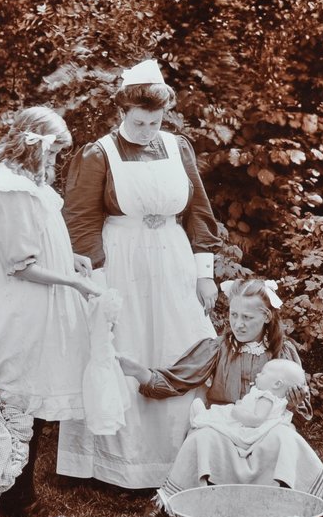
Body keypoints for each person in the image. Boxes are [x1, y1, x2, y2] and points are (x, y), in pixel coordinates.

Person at [57, 59, 221, 489]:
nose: (149, 129)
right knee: (125, 344)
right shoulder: (99, 154)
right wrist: (97, 281)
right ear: (122, 112)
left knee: (179, 338)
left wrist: (205, 272)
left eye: (155, 121)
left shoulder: (179, 147)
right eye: (140, 121)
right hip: (121, 260)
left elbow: (199, 211)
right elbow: (81, 221)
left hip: (173, 257)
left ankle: (177, 460)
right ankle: (116, 466)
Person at [0, 106, 103, 517]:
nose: (55, 162)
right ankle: (16, 498)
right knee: (18, 396)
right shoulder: (11, 190)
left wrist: (70, 257)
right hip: (18, 308)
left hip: (36, 305)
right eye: (54, 153)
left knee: (32, 393)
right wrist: (74, 283)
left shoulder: (27, 186)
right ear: (32, 147)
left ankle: (14, 490)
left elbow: (39, 242)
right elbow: (19, 264)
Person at [118, 279, 323, 517]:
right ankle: (169, 500)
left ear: (266, 317)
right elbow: (177, 379)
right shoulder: (217, 348)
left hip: (265, 427)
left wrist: (296, 403)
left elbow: (301, 405)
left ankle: (305, 503)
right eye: (234, 315)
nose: (238, 324)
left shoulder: (282, 353)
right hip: (224, 426)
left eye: (247, 317)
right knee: (201, 437)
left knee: (286, 439)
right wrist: (140, 373)